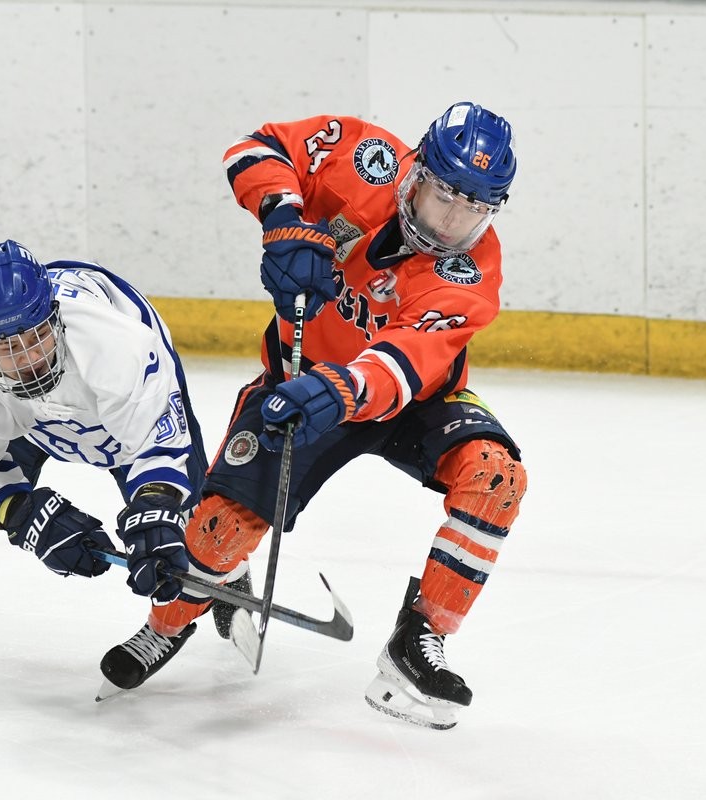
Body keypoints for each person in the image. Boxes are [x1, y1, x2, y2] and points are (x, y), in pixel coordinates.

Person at [144, 101, 528, 729]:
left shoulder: (472, 270)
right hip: (300, 381)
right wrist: (282, 218)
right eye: (445, 195)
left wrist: (344, 387)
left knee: (496, 477)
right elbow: (255, 148)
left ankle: (418, 639)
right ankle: (168, 621)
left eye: (475, 208)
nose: (453, 220)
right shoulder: (364, 157)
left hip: (413, 398)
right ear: (417, 171)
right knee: (214, 535)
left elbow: (406, 360)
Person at [0, 240, 245, 698]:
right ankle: (206, 571)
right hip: (28, 423)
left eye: (35, 336)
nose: (27, 359)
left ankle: (170, 621)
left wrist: (155, 505)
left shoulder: (119, 346)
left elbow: (156, 444)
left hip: (114, 402)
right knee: (22, 504)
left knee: (176, 530)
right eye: (5, 347)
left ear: (56, 317)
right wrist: (23, 517)